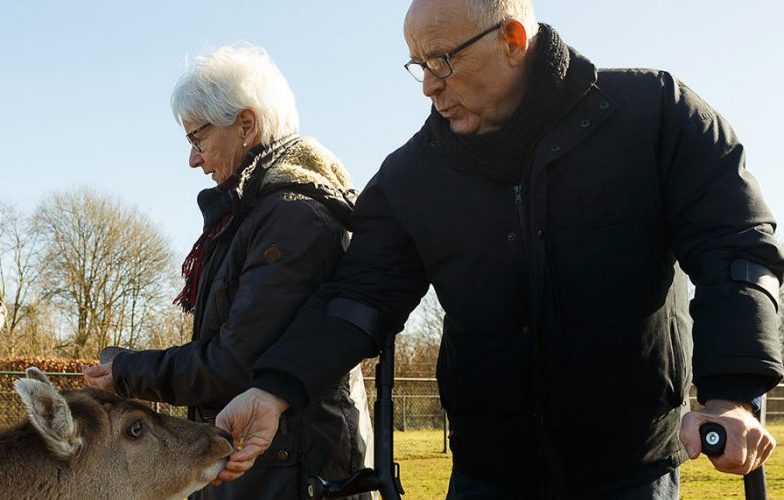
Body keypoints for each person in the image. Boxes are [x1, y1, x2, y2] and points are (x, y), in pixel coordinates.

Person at [215, 1, 784, 498]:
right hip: (489, 475)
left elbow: (735, 249)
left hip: (630, 469)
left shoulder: (655, 115)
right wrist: (275, 388)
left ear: (513, 39)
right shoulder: (411, 177)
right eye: (419, 64)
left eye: (443, 60)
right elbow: (357, 298)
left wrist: (731, 393)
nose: (428, 85)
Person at [83, 44, 372, 500]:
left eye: (197, 138)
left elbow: (235, 364)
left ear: (246, 124)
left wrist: (128, 370)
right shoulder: (253, 217)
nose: (193, 160)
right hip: (264, 468)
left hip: (289, 474)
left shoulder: (292, 219)